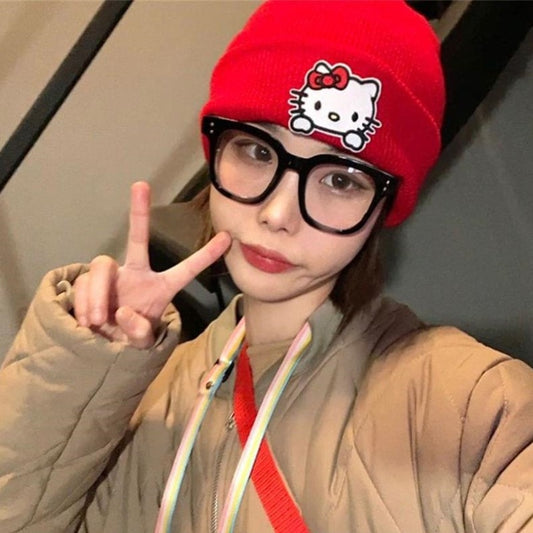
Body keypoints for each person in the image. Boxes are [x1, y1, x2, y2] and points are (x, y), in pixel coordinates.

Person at [1, 1, 532, 532]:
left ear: (382, 209)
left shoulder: (471, 405)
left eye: (340, 180)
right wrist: (86, 366)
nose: (277, 214)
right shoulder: (150, 391)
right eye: (257, 151)